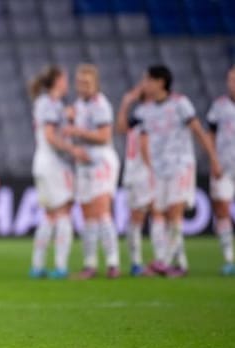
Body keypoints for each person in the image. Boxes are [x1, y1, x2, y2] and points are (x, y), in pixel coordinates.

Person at [136, 65, 222, 277]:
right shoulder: (146, 110)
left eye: (147, 80)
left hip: (180, 165)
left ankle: (163, 261)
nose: (144, 84)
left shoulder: (180, 103)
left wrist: (213, 159)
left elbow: (198, 132)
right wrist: (149, 167)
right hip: (160, 168)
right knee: (164, 215)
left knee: (175, 213)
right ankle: (180, 264)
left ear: (160, 82)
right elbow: (144, 140)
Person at [28, 65, 88, 279]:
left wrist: (66, 115)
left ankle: (37, 265)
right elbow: (51, 135)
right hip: (53, 164)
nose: (67, 84)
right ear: (57, 81)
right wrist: (73, 150)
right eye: (65, 79)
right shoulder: (49, 104)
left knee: (50, 214)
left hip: (43, 163)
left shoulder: (47, 104)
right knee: (63, 212)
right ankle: (61, 266)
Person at [64, 64, 121, 279]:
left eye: (87, 83)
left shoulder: (101, 105)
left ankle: (113, 262)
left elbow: (104, 136)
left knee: (102, 212)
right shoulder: (77, 105)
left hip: (101, 162)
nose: (82, 86)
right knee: (87, 215)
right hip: (84, 164)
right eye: (79, 82)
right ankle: (90, 264)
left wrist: (76, 130)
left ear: (95, 84)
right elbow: (72, 135)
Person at [117, 83, 163, 276]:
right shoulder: (145, 116)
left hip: (138, 173)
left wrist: (126, 103)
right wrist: (155, 170)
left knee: (152, 215)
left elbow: (121, 128)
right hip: (142, 173)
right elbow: (142, 144)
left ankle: (159, 260)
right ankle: (142, 263)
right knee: (145, 216)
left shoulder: (140, 116)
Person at [207, 65, 235, 276]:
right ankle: (228, 258)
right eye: (230, 80)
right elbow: (210, 135)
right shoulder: (219, 106)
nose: (232, 84)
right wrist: (213, 160)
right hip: (223, 167)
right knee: (222, 210)